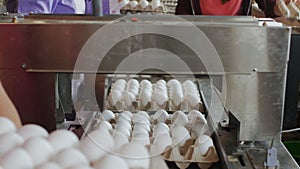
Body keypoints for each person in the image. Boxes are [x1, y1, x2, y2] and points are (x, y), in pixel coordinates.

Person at [175, 0, 298, 18]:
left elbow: (270, 8)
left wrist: (282, 7)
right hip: (200, 40)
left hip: (237, 42)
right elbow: (182, 15)